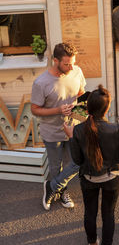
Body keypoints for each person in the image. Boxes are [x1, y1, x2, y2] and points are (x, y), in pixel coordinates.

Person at [54, 85, 119, 245]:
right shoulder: (116, 129)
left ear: (87, 109)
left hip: (88, 178)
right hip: (112, 178)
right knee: (108, 214)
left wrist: (71, 137)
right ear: (108, 108)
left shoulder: (79, 130)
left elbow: (77, 160)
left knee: (90, 213)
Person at [31, 43, 86, 210]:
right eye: (66, 64)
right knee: (56, 166)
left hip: (74, 127)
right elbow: (35, 109)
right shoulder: (41, 83)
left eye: (73, 63)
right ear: (55, 61)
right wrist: (58, 110)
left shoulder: (76, 71)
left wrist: (79, 111)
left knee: (78, 161)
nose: (71, 67)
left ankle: (51, 186)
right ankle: (61, 191)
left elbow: (81, 93)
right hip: (52, 131)